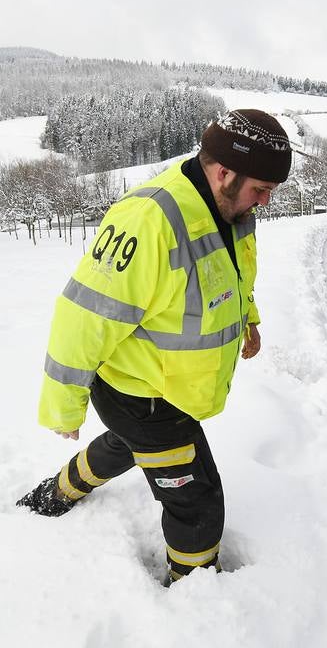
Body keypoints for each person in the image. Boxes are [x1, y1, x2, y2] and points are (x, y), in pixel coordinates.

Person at [17, 108, 291, 586]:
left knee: (127, 445)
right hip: (140, 396)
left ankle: (53, 495)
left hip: (167, 387)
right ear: (224, 172)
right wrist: (63, 407)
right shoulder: (149, 221)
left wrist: (249, 320)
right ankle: (195, 591)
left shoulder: (231, 208)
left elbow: (231, 274)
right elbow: (81, 318)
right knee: (197, 500)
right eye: (260, 189)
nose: (265, 202)